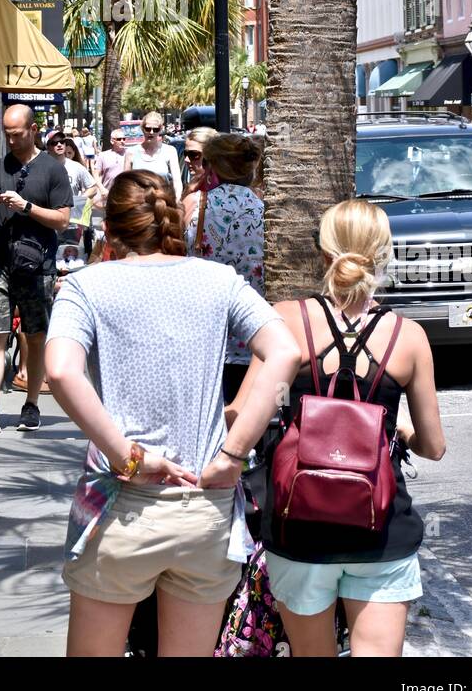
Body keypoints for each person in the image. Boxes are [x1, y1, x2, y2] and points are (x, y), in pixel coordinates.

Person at [45, 169, 301, 657]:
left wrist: (128, 457)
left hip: (121, 507)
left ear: (110, 227)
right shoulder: (218, 280)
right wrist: (231, 455)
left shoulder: (86, 286)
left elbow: (59, 371)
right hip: (203, 505)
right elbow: (284, 352)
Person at [231, 198, 446, 658]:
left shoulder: (288, 320)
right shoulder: (408, 337)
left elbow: (243, 412)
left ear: (324, 253)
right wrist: (402, 431)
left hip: (298, 525)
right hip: (381, 528)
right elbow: (434, 446)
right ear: (383, 253)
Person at [0, 103, 72, 435]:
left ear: (33, 130)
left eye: (16, 134)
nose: (10, 140)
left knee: (35, 337)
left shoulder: (52, 170)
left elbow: (63, 220)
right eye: (6, 134)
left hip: (37, 267)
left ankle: (32, 404)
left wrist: (27, 207)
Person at [184, 134, 265, 402]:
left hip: (204, 334)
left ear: (213, 166)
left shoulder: (196, 205)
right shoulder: (266, 209)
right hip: (254, 334)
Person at [122, 113, 183, 198]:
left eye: (155, 129)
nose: (151, 132)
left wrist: (177, 200)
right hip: (139, 205)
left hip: (163, 204)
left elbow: (177, 181)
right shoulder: (131, 152)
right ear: (142, 128)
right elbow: (125, 182)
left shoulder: (170, 151)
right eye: (148, 129)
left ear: (160, 129)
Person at [179, 126, 220, 227]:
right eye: (185, 154)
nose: (187, 160)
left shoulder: (220, 184)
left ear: (210, 155)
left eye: (194, 155)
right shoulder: (195, 184)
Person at [92, 128, 128, 198]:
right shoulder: (103, 155)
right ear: (112, 141)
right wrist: (102, 189)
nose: (122, 141)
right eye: (119, 139)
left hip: (126, 194)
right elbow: (96, 174)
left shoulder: (130, 154)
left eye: (124, 139)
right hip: (108, 194)